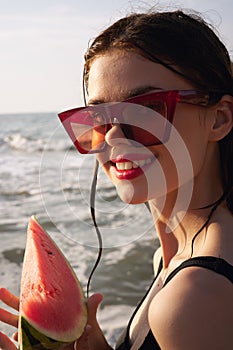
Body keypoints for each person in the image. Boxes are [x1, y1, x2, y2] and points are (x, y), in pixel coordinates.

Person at [1, 8, 233, 350]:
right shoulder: (176, 253)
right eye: (98, 118)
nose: (112, 138)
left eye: (147, 109)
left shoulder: (194, 297)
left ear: (219, 119)